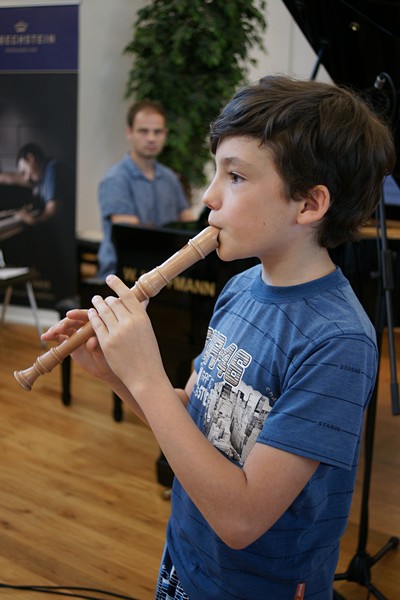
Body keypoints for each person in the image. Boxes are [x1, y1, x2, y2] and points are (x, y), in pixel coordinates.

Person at [43, 75, 395, 599]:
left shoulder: (338, 341)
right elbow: (194, 422)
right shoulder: (240, 288)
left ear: (308, 204)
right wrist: (121, 377)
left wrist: (147, 375)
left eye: (235, 176)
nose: (209, 195)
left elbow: (242, 518)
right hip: (186, 558)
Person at [97, 100, 193, 280]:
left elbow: (188, 222)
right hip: (123, 275)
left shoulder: (170, 178)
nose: (151, 138)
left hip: (165, 272)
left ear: (165, 134)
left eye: (157, 132)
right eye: (143, 131)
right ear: (129, 132)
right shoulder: (116, 179)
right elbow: (133, 238)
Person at [0, 143, 76, 301]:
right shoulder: (43, 176)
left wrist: (27, 218)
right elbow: (17, 179)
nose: (26, 177)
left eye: (24, 171)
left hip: (63, 244)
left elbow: (51, 213)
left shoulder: (53, 170)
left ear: (30, 158)